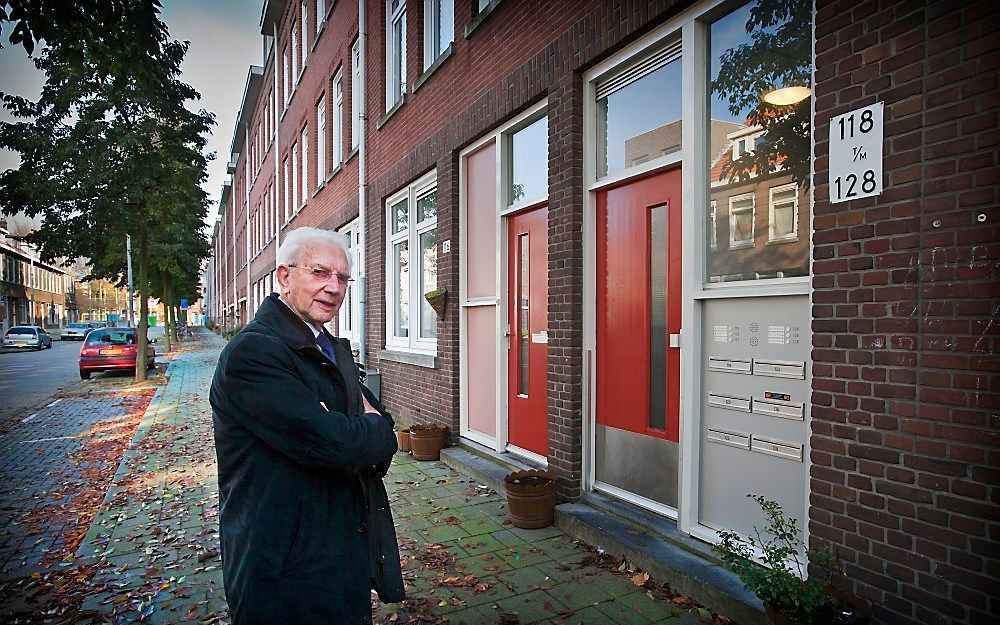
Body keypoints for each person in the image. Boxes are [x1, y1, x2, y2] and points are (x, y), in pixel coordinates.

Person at [210, 227, 403, 624]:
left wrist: (366, 430)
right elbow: (341, 445)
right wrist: (376, 432)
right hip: (283, 567)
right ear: (284, 276)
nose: (333, 287)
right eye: (319, 272)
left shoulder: (324, 344)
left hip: (335, 548)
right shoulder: (253, 354)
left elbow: (368, 434)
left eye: (343, 277)